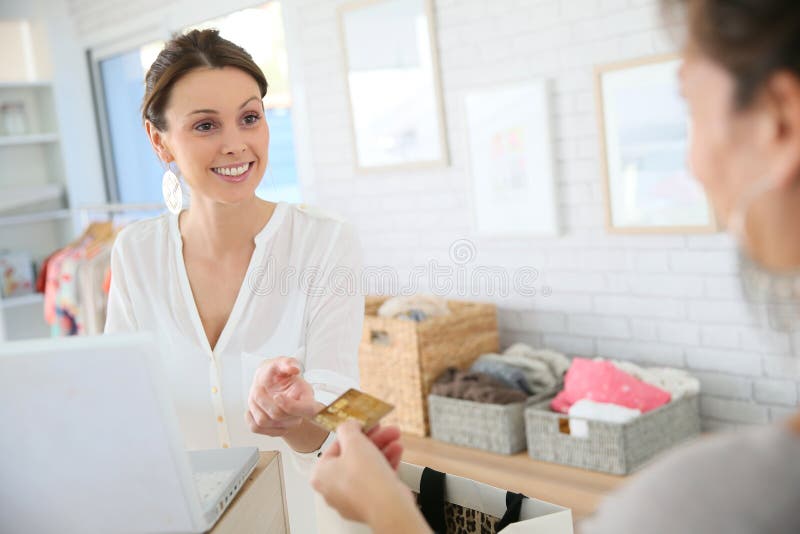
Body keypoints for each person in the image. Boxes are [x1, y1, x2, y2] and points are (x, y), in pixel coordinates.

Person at [311, 1, 800, 532]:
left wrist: (389, 512)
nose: (692, 162)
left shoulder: (705, 504)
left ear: (779, 119)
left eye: (692, 108)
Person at [103, 29, 364, 534]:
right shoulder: (135, 254)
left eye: (250, 117)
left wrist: (297, 416)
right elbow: (124, 408)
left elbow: (354, 411)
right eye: (205, 125)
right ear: (160, 142)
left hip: (308, 519)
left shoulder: (327, 243)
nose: (235, 143)